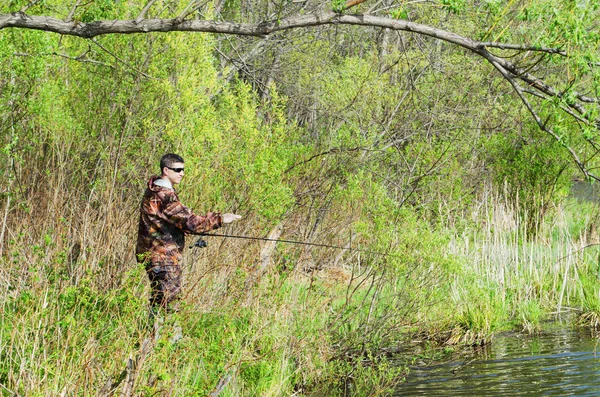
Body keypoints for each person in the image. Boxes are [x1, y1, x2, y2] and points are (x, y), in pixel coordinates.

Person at [136, 153, 241, 313]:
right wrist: (220, 219)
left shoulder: (153, 188)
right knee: (169, 305)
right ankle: (166, 337)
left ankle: (150, 336)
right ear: (166, 170)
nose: (182, 173)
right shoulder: (165, 196)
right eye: (177, 170)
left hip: (151, 255)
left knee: (159, 301)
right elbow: (191, 222)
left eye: (183, 169)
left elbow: (168, 221)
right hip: (164, 258)